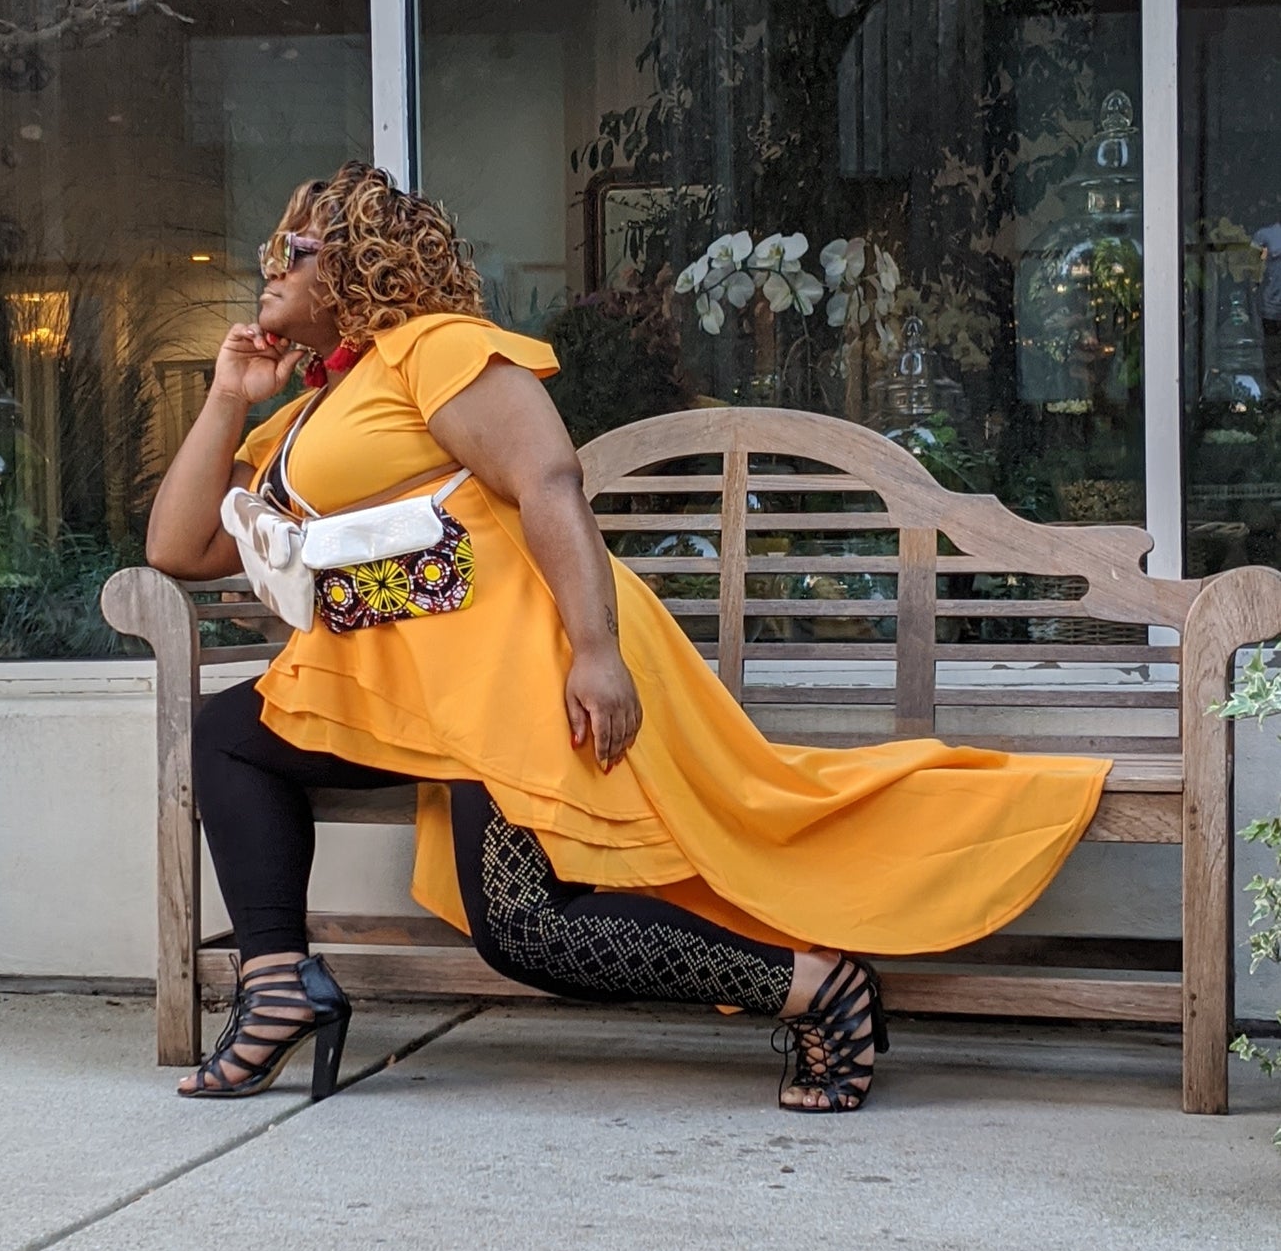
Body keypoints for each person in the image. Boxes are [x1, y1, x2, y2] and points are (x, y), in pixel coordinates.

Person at [146, 162, 1109, 1113]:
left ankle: (817, 984)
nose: (266, 263)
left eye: (294, 247)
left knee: (524, 928)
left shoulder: (434, 348)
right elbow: (180, 545)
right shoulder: (317, 406)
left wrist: (595, 654)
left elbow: (549, 480)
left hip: (515, 667)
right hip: (402, 687)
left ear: (361, 264)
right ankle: (275, 982)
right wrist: (232, 391)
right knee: (229, 738)